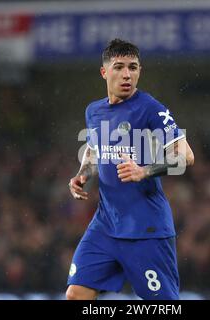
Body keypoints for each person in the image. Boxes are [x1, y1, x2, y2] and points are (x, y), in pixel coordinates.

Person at [66, 39, 195, 300]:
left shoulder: (150, 109)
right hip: (105, 225)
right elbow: (93, 152)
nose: (127, 74)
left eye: (133, 67)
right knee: (76, 294)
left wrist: (144, 171)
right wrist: (83, 175)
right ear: (104, 72)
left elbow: (186, 156)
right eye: (119, 67)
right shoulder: (94, 111)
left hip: (146, 228)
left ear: (140, 71)